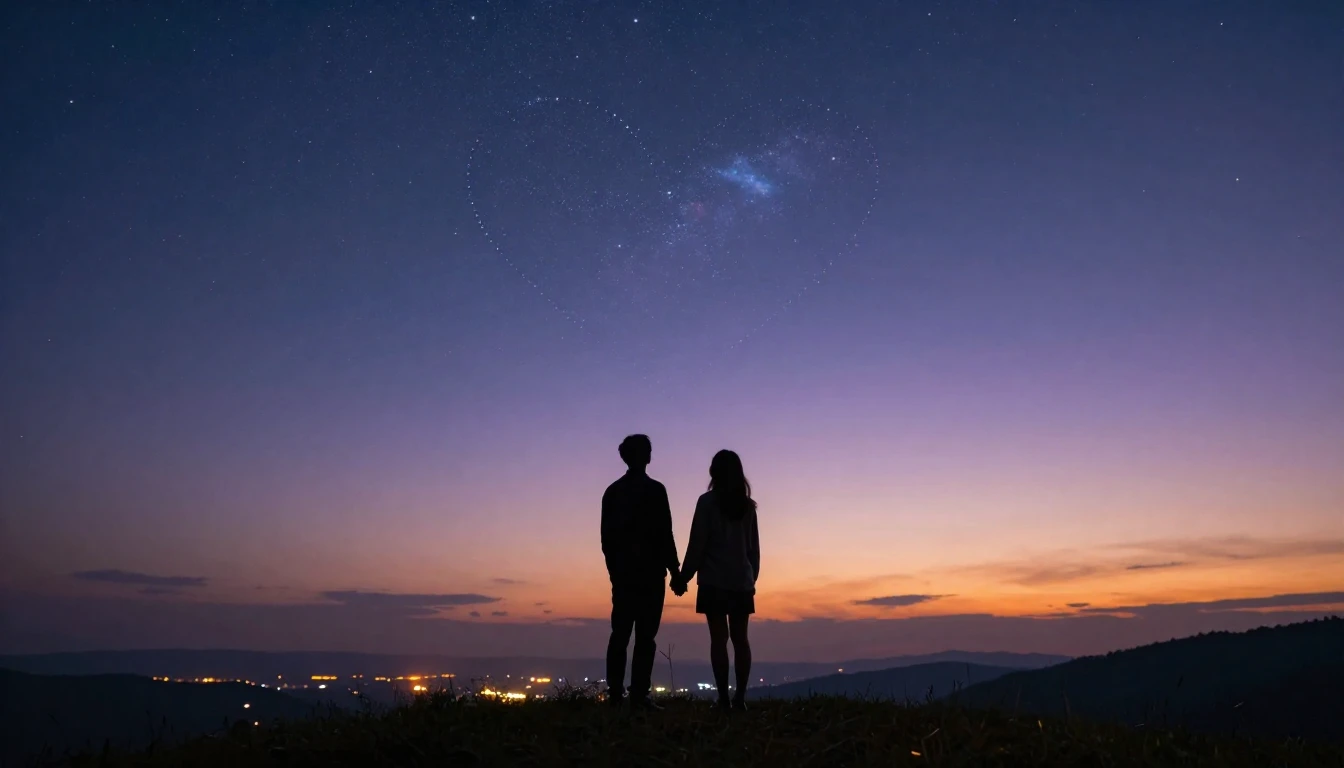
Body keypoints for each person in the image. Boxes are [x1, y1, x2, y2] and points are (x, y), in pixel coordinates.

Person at [674, 449, 760, 711]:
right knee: (741, 640)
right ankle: (740, 699)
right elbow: (753, 550)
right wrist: (750, 578)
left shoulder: (707, 503)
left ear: (714, 472)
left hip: (713, 580)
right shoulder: (748, 507)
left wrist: (683, 577)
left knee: (718, 640)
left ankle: (723, 698)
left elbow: (697, 544)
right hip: (740, 581)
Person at [601, 434, 682, 711]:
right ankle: (638, 694)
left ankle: (615, 694)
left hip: (625, 576)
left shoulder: (613, 492)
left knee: (620, 634)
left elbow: (606, 540)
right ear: (646, 456)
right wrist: (675, 571)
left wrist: (614, 572)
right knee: (644, 637)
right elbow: (665, 534)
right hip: (649, 575)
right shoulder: (656, 491)